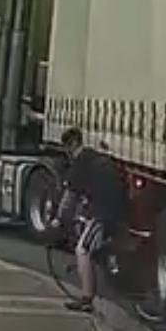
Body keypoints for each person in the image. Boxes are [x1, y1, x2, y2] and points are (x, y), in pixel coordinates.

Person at [51, 126, 128, 312]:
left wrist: (58, 220)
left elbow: (69, 199)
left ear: (71, 146)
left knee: (82, 250)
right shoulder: (96, 158)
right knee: (95, 245)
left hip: (103, 214)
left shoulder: (80, 163)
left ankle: (86, 298)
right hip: (117, 209)